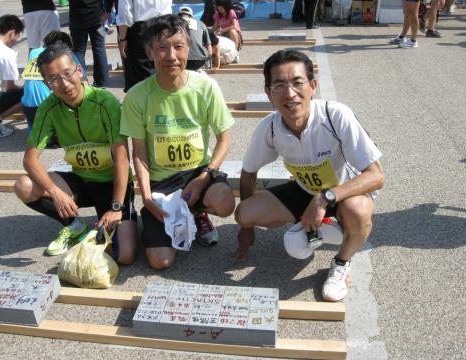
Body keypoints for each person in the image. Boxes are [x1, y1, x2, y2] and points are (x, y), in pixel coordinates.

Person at [234, 50, 384, 302]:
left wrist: (324, 198)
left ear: (313, 86)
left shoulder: (336, 116)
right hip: (305, 191)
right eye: (279, 85)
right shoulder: (270, 127)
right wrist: (246, 229)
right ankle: (315, 226)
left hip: (345, 191)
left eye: (297, 82)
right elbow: (248, 172)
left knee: (357, 211)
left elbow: (376, 176)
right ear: (269, 93)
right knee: (244, 213)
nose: (290, 94)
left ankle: (341, 263)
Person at [120, 14, 235, 270]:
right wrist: (147, 196)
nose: (171, 55)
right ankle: (161, 217)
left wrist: (205, 176)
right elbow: (138, 151)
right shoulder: (137, 96)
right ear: (149, 52)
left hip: (198, 172)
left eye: (178, 46)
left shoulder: (206, 87)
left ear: (188, 48)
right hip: (162, 182)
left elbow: (224, 139)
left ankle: (196, 212)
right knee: (160, 262)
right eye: (162, 47)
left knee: (225, 202)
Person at [14, 45, 137, 264]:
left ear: (79, 70)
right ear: (46, 84)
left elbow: (121, 159)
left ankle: (127, 216)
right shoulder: (48, 107)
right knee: (24, 186)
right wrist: (54, 192)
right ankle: (74, 226)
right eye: (54, 80)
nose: (64, 84)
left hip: (112, 185)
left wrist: (116, 207)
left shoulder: (105, 102)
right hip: (80, 179)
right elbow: (29, 160)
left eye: (67, 74)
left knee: (124, 256)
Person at [21, 31, 84, 141]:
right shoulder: (68, 57)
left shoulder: (34, 52)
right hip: (50, 109)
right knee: (77, 91)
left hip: (29, 110)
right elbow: (83, 82)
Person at [116, 0, 172, 92]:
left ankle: (142, 102)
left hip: (140, 30)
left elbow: (125, 14)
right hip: (164, 26)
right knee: (162, 68)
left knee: (139, 74)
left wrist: (122, 39)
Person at [0, 14, 23, 138]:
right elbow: (10, 87)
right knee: (28, 94)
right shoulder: (7, 53)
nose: (17, 40)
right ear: (12, 33)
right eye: (18, 36)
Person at [68, 0, 109, 87]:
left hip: (77, 17)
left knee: (79, 50)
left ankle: (82, 81)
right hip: (99, 16)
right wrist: (108, 10)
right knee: (100, 47)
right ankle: (102, 81)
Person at [177, 6, 211, 71]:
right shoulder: (200, 24)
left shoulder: (174, 24)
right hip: (199, 61)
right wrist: (210, 62)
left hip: (181, 60)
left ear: (178, 16)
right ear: (192, 16)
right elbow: (208, 45)